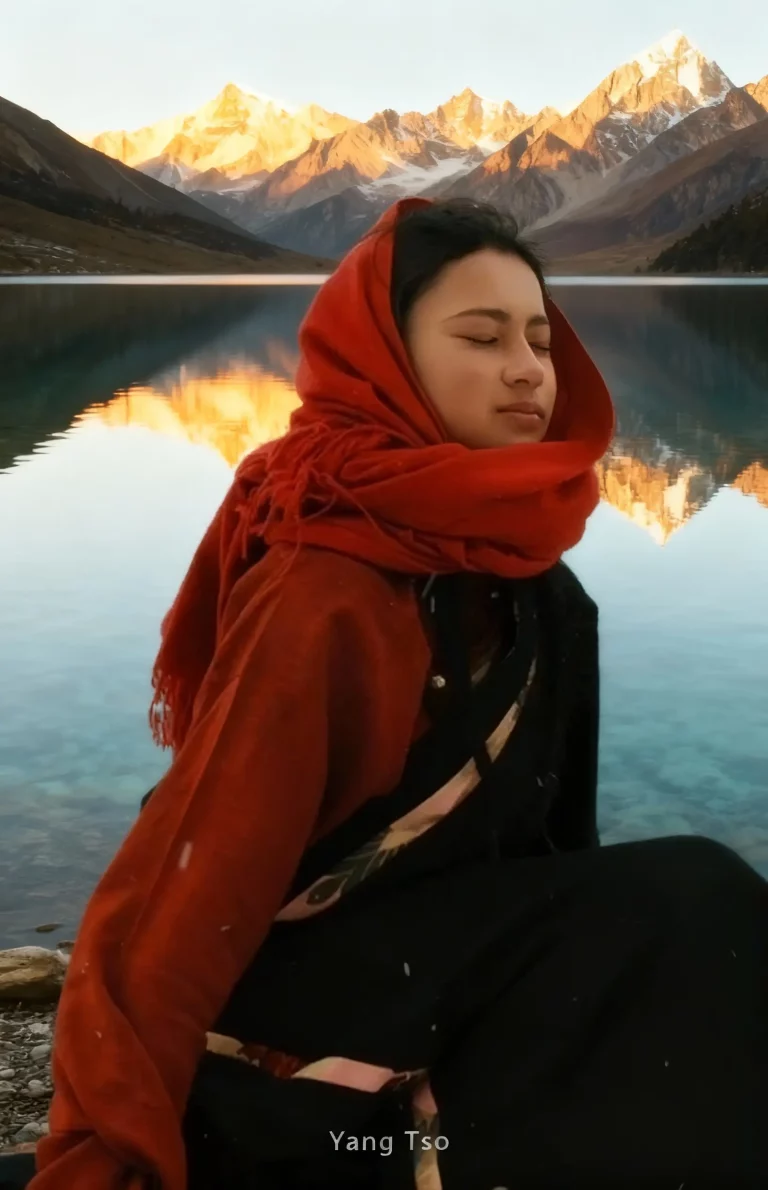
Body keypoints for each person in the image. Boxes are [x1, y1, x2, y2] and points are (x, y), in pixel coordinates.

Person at [4, 197, 765, 1190]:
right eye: (482, 337)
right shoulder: (326, 589)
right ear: (387, 359)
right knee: (696, 899)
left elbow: (548, 864)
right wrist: (107, 1146)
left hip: (428, 986)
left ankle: (454, 1143)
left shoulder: (540, 583)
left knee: (688, 956)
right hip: (288, 1027)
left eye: (541, 337)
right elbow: (185, 890)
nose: (530, 368)